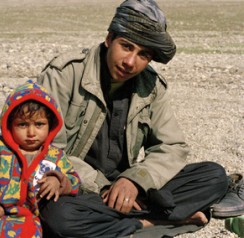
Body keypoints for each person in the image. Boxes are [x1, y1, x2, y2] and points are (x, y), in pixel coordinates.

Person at [37, 0, 232, 237]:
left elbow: (172, 146)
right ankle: (152, 223)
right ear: (109, 39)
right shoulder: (64, 73)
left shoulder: (150, 85)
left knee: (214, 176)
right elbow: (46, 149)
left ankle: (114, 222)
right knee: (58, 217)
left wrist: (135, 181)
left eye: (143, 54)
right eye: (126, 47)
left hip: (128, 189)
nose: (130, 62)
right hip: (76, 185)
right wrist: (105, 188)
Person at [0, 81, 81, 238]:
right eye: (22, 125)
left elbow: (74, 180)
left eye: (39, 124)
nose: (31, 132)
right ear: (9, 124)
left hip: (27, 218)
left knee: (29, 233)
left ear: (50, 125)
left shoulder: (55, 156)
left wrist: (58, 181)